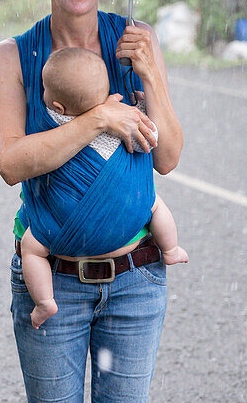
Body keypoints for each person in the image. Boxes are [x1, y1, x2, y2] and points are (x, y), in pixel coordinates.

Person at [0, 0, 183, 403]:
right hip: (54, 280)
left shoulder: (136, 43)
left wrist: (152, 78)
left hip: (136, 280)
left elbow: (167, 158)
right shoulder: (13, 57)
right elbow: (10, 163)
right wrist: (98, 118)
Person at [22, 46, 188, 329]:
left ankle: (45, 302)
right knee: (154, 203)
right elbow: (149, 138)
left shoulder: (54, 122)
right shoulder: (123, 118)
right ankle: (171, 248)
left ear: (58, 106)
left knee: (32, 248)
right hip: (128, 214)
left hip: (60, 230)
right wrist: (142, 106)